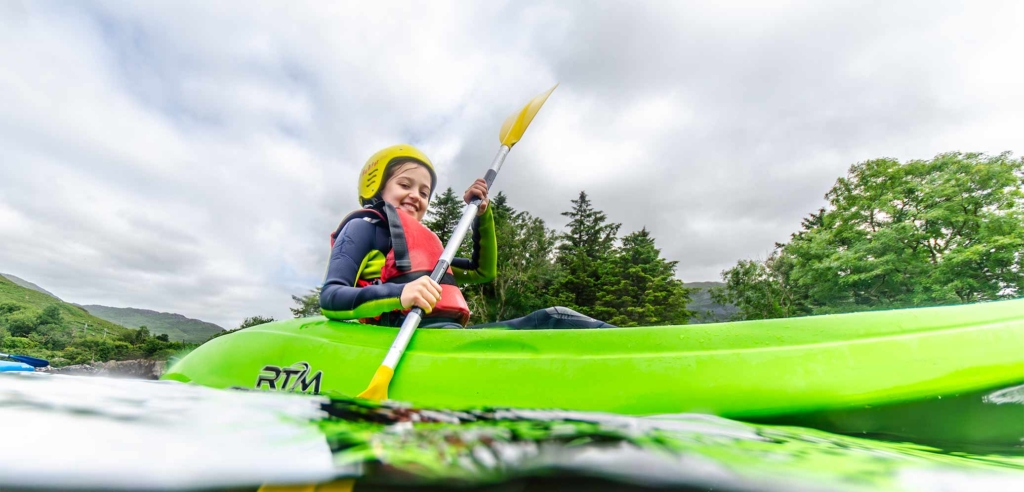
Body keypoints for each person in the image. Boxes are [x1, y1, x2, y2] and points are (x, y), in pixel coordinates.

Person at [320, 144, 612, 329]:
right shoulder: (364, 228)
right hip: (398, 337)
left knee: (554, 319)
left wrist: (483, 215)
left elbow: (482, 271)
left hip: (446, 336)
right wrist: (399, 294)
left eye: (424, 192)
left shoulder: (428, 245)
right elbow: (331, 297)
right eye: (404, 184)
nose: (415, 196)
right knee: (554, 321)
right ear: (377, 188)